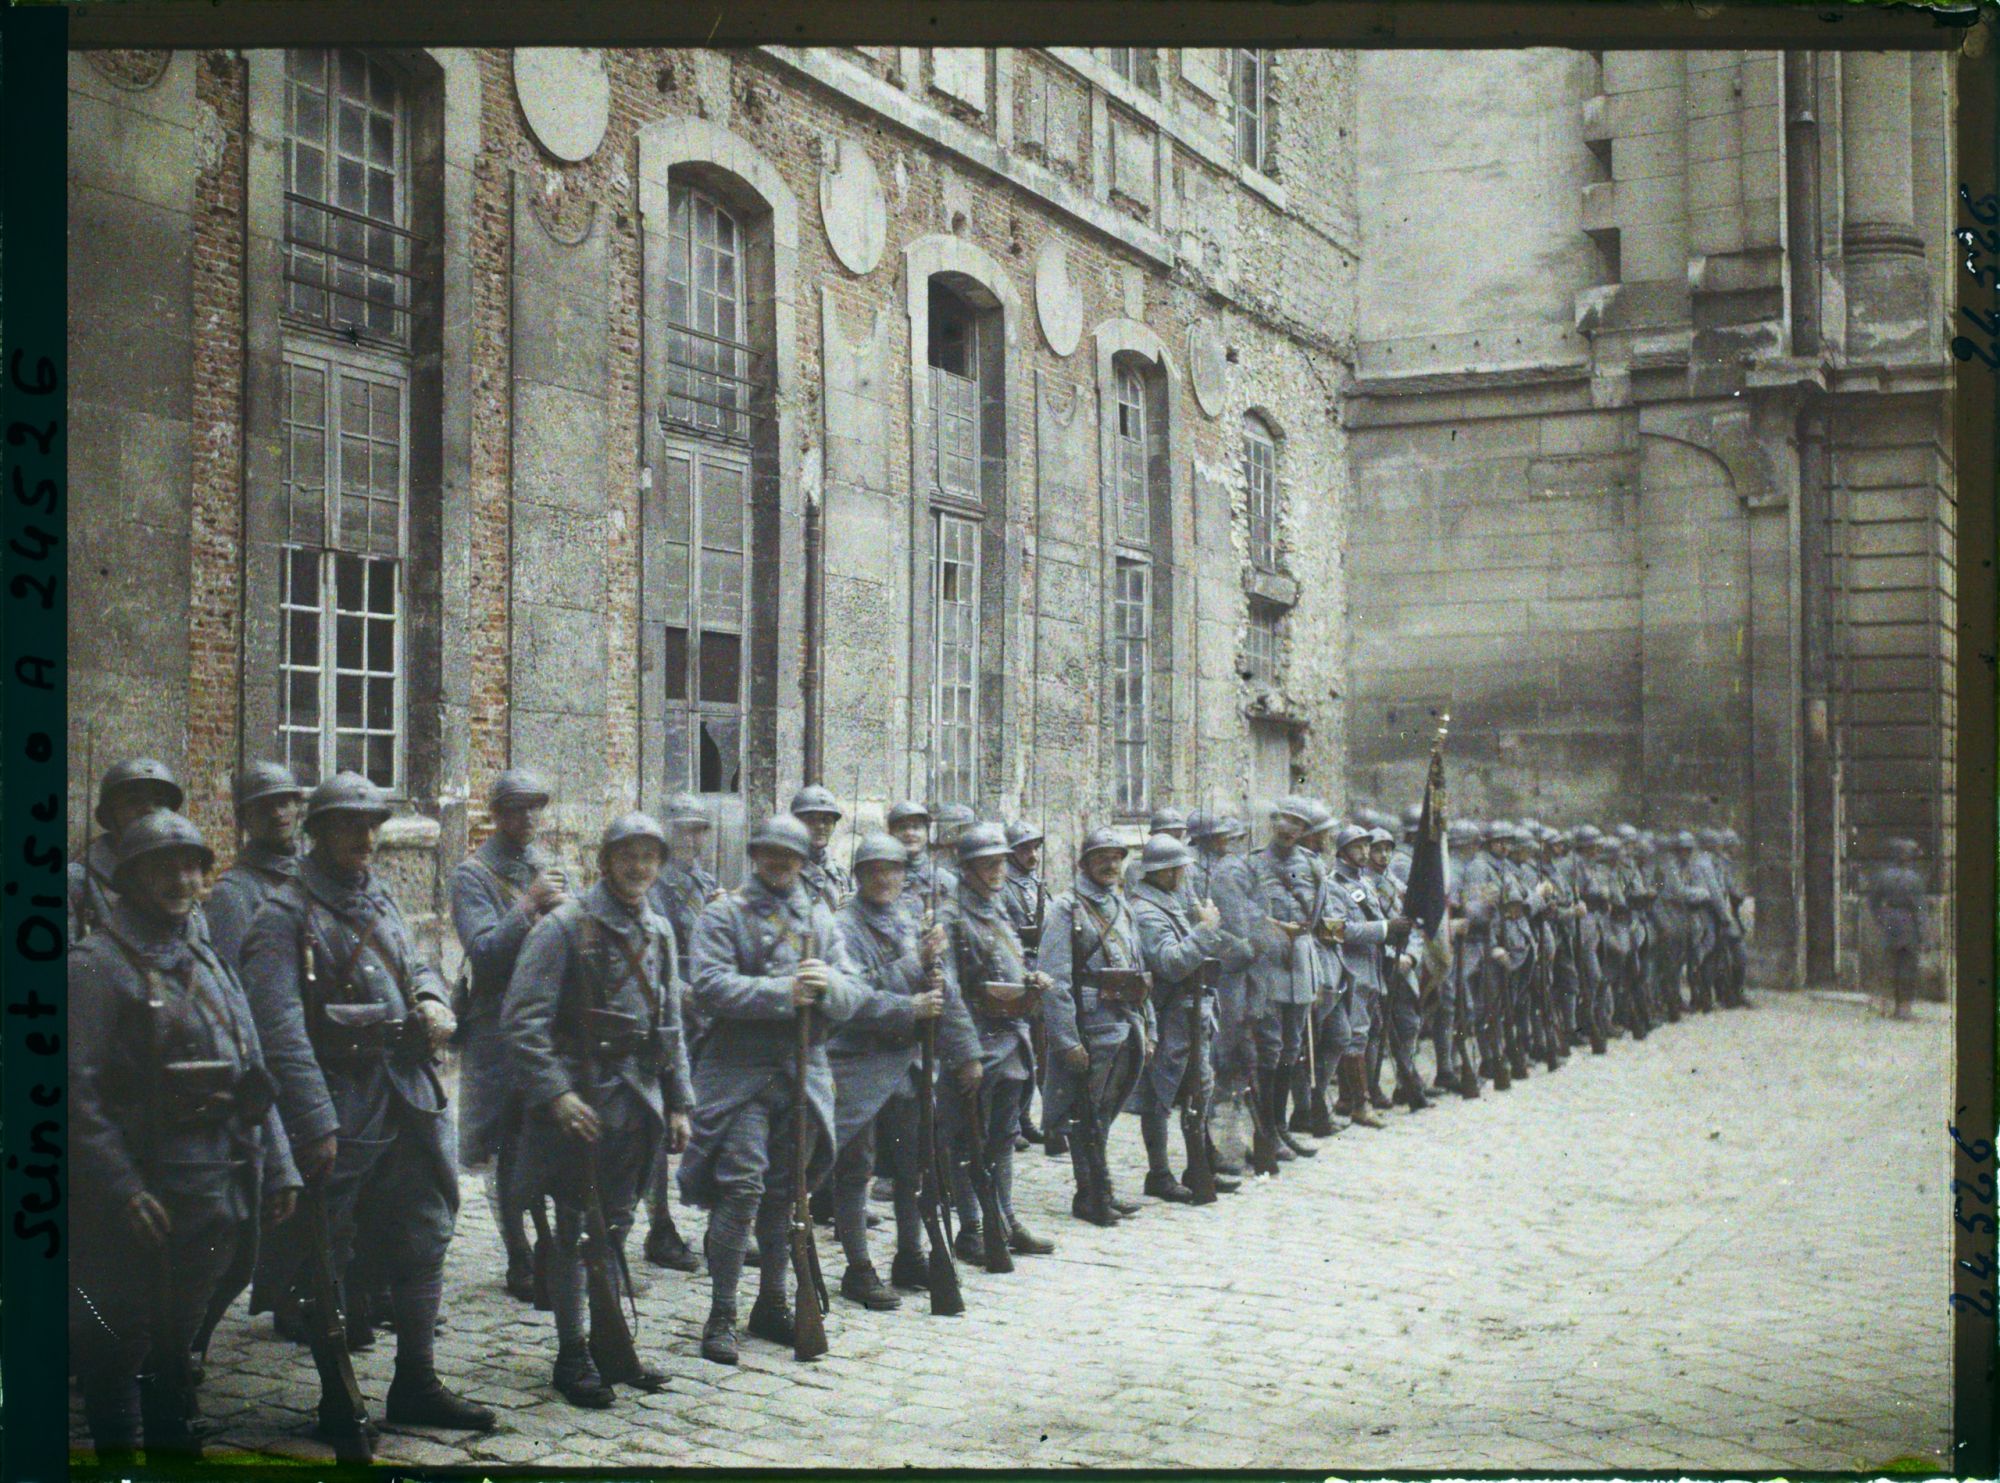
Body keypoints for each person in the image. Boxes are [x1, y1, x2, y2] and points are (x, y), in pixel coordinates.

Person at [238, 772, 495, 1435]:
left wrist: (435, 998)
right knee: (327, 1250)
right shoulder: (282, 916)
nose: (365, 836)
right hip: (338, 1103)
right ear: (317, 831)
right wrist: (315, 1122)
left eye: (372, 824)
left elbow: (413, 965)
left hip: (402, 1094)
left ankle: (417, 1379)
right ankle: (337, 1394)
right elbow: (279, 1032)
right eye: (349, 824)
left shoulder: (376, 897)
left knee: (425, 1228)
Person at [70, 810, 301, 1465]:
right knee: (120, 1344)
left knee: (178, 1340)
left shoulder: (206, 957)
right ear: (132, 876)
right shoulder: (95, 966)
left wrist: (279, 1164)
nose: (181, 878)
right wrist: (120, 1187)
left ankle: (174, 1449)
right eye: (163, 866)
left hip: (217, 1182)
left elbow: (254, 1068)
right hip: (144, 1192)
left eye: (193, 865)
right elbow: (74, 1094)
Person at [502, 812, 693, 1407]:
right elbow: (522, 1022)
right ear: (605, 861)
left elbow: (672, 1025)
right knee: (570, 1230)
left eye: (649, 857)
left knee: (615, 1226)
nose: (638, 868)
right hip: (580, 1105)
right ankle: (573, 1350)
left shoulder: (659, 931)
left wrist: (680, 1100)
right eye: (627, 856)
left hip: (638, 1104)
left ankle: (614, 1347)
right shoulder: (565, 928)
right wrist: (556, 1094)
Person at [679, 815, 864, 1365]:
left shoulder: (820, 919)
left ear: (804, 862)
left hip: (802, 1075)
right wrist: (786, 991)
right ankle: (721, 1314)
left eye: (791, 856)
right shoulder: (724, 914)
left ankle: (773, 1303)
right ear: (755, 855)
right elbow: (709, 986)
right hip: (737, 1073)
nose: (781, 864)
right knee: (741, 1187)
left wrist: (828, 987)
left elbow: (854, 990)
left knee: (788, 1193)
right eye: (770, 853)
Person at [827, 833, 981, 1304]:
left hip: (910, 1068)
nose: (885, 879)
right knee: (857, 1169)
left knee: (914, 1168)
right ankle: (859, 1267)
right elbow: (850, 999)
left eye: (893, 870)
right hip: (858, 1064)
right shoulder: (841, 928)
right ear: (858, 876)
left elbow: (944, 992)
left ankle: (910, 1256)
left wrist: (967, 1051)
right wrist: (911, 986)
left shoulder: (914, 920)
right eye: (874, 870)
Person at [449, 768, 568, 1304]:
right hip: (496, 1026)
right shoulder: (472, 876)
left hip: (546, 1023)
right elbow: (485, 954)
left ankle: (551, 1247)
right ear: (496, 815)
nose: (528, 819)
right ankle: (518, 1253)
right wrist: (529, 906)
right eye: (517, 809)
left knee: (544, 1136)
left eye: (534, 808)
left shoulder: (545, 867)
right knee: (502, 1145)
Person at [942, 822, 1055, 1262]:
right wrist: (966, 1052)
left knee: (1003, 1138)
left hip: (1011, 1042)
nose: (997, 871)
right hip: (977, 1044)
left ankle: (1004, 1219)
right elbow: (950, 990)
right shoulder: (951, 916)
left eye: (1000, 863)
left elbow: (1007, 959)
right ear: (967, 868)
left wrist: (1028, 975)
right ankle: (972, 1228)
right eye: (987, 864)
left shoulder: (997, 908)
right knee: (968, 1139)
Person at [1040, 828, 1152, 1223]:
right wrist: (1067, 1040)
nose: (1110, 865)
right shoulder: (1066, 909)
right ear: (1083, 863)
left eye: (1116, 857)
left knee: (1104, 1111)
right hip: (1091, 1026)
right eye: (1101, 857)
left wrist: (1148, 1025)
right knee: (1084, 1111)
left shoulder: (1121, 905)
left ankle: (1102, 1189)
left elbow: (1139, 969)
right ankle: (1090, 1194)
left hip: (1125, 1021)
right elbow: (1053, 981)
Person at [1126, 833, 1240, 1201]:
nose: (1185, 877)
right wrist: (1204, 930)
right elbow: (1170, 963)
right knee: (1160, 1095)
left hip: (1193, 1013)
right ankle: (1159, 1173)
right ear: (1165, 873)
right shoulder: (1145, 910)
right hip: (1167, 1013)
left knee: (1200, 1088)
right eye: (1179, 870)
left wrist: (1210, 929)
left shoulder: (1172, 901)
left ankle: (1199, 1165)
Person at [642, 793, 720, 1272]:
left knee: (710, 1117)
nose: (691, 839)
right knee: (659, 1122)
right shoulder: (655, 890)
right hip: (671, 1012)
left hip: (705, 1015)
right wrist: (684, 992)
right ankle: (660, 1226)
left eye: (698, 830)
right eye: (683, 830)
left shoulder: (707, 884)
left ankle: (721, 1220)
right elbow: (652, 959)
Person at [1244, 797, 1326, 1166]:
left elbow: (1318, 913)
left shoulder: (1313, 865)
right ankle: (1265, 1132)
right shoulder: (1253, 864)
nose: (1289, 828)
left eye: (1298, 823)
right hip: (1269, 963)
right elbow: (1245, 912)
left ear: (1305, 831)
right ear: (1274, 821)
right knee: (1269, 1047)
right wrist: (1276, 929)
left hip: (1301, 962)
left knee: (1292, 1047)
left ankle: (1280, 1125)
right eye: (1285, 820)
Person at [71, 758, 187, 945]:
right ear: (110, 815)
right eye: (133, 801)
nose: (149, 810)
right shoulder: (78, 880)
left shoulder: (182, 878)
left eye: (159, 802)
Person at [206, 763, 307, 970]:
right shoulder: (232, 893)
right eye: (264, 807)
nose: (277, 813)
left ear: (298, 808)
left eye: (283, 803)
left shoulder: (313, 876)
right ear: (244, 819)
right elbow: (232, 975)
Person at [1001, 821, 1050, 1149]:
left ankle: (1027, 1118)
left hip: (1040, 968)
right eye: (1023, 849)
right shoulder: (1004, 885)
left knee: (1039, 1047)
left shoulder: (1038, 884)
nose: (1031, 855)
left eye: (1034, 848)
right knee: (1019, 1047)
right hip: (1018, 968)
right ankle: (1013, 1121)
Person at [1867, 838, 1926, 1019]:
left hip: (1890, 922)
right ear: (1909, 859)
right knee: (1907, 967)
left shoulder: (1884, 876)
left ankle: (1885, 1005)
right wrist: (1922, 931)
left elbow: (1873, 902)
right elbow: (1919, 908)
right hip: (1908, 924)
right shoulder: (1915, 879)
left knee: (1888, 964)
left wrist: (1881, 918)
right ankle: (1903, 1009)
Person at [791, 785, 853, 913]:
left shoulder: (841, 876)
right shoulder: (785, 872)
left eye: (827, 820)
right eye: (811, 820)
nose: (820, 826)